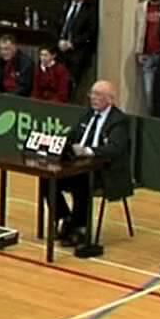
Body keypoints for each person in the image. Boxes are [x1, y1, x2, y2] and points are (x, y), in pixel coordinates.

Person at [47, 81, 132, 246]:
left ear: (110, 99)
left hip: (105, 171)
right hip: (80, 166)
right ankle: (65, 218)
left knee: (82, 182)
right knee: (48, 178)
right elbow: (72, 135)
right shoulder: (89, 115)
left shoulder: (119, 120)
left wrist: (88, 151)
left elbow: (115, 148)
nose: (93, 98)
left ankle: (80, 228)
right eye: (92, 93)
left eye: (98, 94)